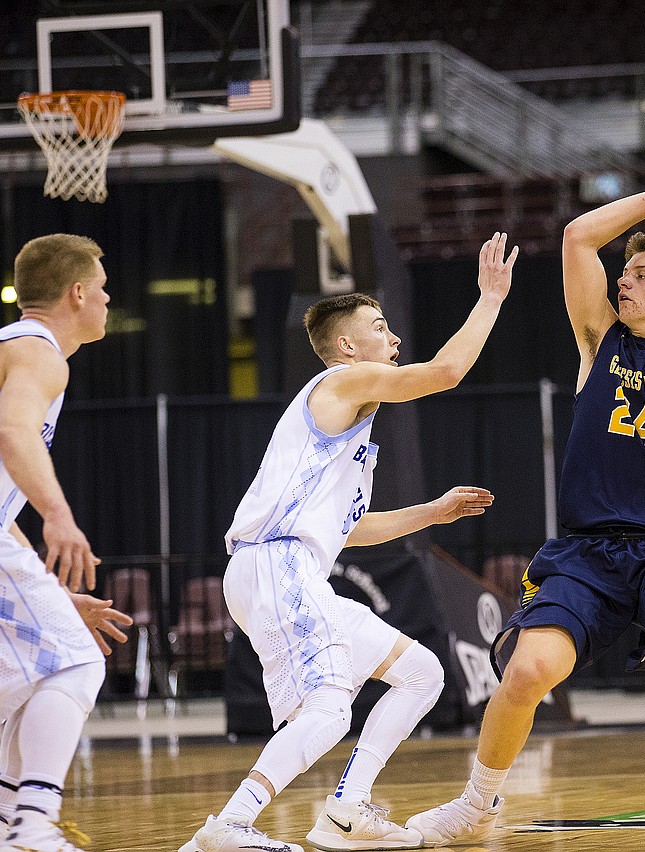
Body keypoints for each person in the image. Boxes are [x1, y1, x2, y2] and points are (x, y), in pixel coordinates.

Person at [407, 155, 645, 850]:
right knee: (526, 670)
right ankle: (475, 803)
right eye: (626, 272)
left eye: (641, 274)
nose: (624, 279)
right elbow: (578, 238)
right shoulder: (599, 342)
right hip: (586, 550)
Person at [179, 232, 517, 852]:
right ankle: (228, 826)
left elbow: (349, 531)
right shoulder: (337, 384)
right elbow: (444, 372)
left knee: (421, 673)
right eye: (380, 327)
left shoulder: (347, 426)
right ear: (346, 347)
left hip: (289, 567)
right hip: (277, 563)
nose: (393, 339)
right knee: (331, 712)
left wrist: (432, 512)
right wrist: (491, 298)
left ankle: (345, 814)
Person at [0, 233, 130, 852]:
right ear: (78, 292)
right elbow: (14, 437)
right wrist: (59, 516)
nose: (110, 301)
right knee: (76, 663)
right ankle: (32, 827)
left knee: (34, 689)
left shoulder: (7, 350)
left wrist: (46, 591)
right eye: (105, 289)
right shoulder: (39, 352)